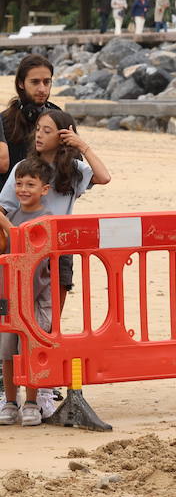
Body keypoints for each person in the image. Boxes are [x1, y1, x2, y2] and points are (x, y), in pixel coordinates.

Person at [0, 110, 112, 417]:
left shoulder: (72, 170)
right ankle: (12, 399)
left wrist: (82, 145)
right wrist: (18, 236)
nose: (38, 135)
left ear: (62, 136)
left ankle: (42, 394)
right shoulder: (25, 169)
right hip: (20, 257)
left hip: (57, 255)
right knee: (11, 328)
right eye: (38, 129)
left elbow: (103, 177)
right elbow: (3, 206)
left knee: (47, 326)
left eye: (47, 130)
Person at [0, 160, 55, 426]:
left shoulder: (47, 219)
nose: (22, 189)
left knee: (33, 349)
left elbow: (21, 240)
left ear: (44, 189)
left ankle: (33, 402)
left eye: (30, 184)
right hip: (8, 297)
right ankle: (11, 402)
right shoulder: (10, 215)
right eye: (19, 183)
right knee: (7, 352)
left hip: (37, 296)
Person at [2, 53, 61, 177]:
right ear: (21, 83)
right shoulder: (3, 121)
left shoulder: (59, 116)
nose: (42, 89)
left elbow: (75, 161)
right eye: (35, 82)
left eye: (47, 82)